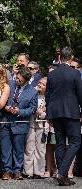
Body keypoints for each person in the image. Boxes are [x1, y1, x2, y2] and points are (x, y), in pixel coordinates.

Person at [45, 47, 82, 186]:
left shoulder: (52, 74)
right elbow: (80, 94)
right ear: (71, 57)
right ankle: (62, 172)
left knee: (60, 144)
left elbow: (48, 96)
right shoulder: (75, 73)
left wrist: (50, 114)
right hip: (71, 112)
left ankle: (63, 177)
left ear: (60, 57)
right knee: (75, 142)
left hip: (55, 113)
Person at [0, 67, 38, 180]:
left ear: (26, 80)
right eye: (17, 78)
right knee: (5, 148)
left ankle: (17, 170)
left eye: (20, 80)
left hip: (20, 123)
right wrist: (5, 107)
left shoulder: (32, 92)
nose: (17, 80)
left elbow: (32, 109)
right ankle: (6, 170)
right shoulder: (9, 84)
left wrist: (20, 111)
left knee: (19, 149)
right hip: (5, 121)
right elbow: (1, 99)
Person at [23, 77, 48, 179]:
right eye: (39, 83)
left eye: (43, 84)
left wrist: (43, 114)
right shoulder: (33, 94)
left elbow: (51, 111)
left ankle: (39, 171)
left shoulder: (49, 98)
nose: (40, 85)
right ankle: (28, 171)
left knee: (41, 149)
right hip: (31, 123)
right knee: (29, 147)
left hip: (42, 125)